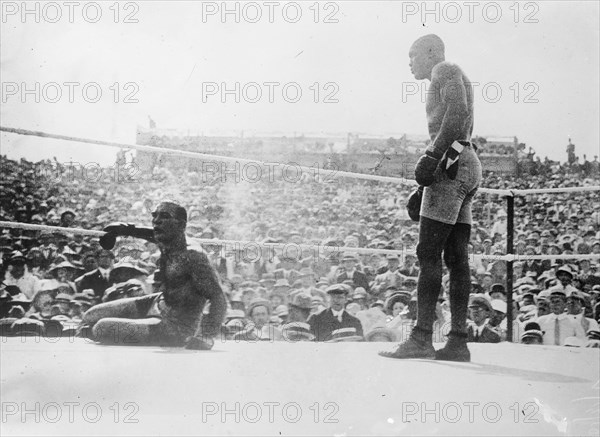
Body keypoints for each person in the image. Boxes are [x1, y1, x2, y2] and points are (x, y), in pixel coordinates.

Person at [380, 34, 481, 361]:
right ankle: (458, 342)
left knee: (428, 252)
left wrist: (432, 154)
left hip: (452, 162)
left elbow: (457, 111)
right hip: (463, 160)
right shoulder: (452, 73)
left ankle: (422, 337)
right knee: (456, 257)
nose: (410, 63)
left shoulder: (444, 69)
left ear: (430, 53)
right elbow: (462, 121)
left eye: (413, 56)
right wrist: (427, 182)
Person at [83, 202, 227, 349]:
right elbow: (151, 233)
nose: (156, 221)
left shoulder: (193, 256)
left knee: (101, 328)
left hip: (176, 326)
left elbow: (218, 297)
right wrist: (125, 229)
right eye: (155, 216)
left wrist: (207, 335)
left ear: (181, 225)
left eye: (164, 216)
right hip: (158, 302)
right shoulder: (167, 238)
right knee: (90, 315)